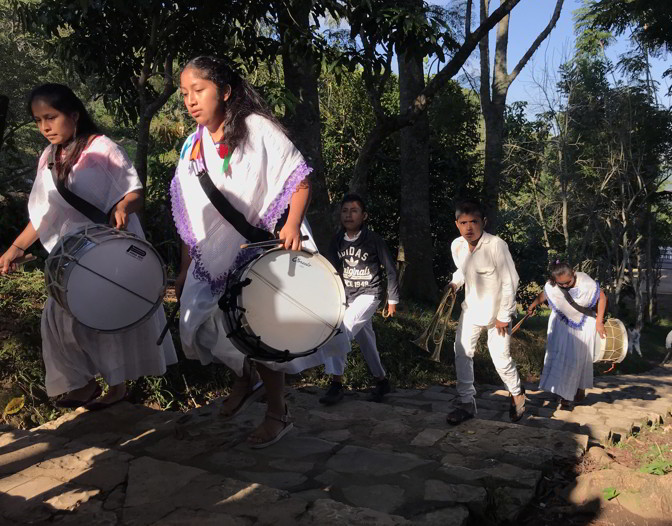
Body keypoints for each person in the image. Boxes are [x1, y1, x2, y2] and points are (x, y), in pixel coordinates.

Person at [171, 56, 345, 447]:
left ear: (226, 91)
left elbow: (298, 179)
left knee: (262, 332)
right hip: (211, 256)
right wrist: (185, 268)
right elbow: (189, 213)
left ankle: (277, 412)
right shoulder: (191, 146)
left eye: (199, 90)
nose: (190, 101)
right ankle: (242, 378)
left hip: (263, 244)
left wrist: (291, 224)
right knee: (200, 324)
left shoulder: (257, 129)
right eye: (185, 93)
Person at [0, 83, 176, 409]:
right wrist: (16, 247)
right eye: (38, 120)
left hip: (110, 251)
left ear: (74, 115)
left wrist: (123, 207)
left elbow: (134, 191)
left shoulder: (103, 148)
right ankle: (82, 384)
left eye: (50, 117)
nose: (45, 127)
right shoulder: (48, 158)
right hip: (72, 257)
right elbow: (45, 215)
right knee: (57, 319)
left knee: (107, 319)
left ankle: (117, 387)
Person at [445, 199, 525, 425]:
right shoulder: (457, 245)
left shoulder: (496, 245)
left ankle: (517, 392)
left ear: (484, 222)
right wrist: (454, 284)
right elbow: (462, 271)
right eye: (464, 223)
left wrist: (504, 315)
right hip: (471, 310)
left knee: (500, 358)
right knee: (461, 352)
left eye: (474, 222)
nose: (469, 227)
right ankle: (466, 402)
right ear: (457, 224)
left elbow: (511, 281)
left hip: (498, 314)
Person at [319, 194, 400, 405]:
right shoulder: (336, 240)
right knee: (366, 341)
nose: (348, 215)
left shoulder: (373, 239)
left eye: (353, 211)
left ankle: (336, 384)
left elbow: (390, 269)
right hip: (346, 297)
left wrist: (392, 299)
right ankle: (382, 381)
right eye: (345, 211)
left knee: (340, 330)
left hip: (369, 295)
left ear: (364, 215)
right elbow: (330, 269)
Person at [528, 261, 608, 411]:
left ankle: (575, 392)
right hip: (561, 325)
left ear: (573, 273)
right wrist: (533, 305)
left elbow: (602, 298)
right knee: (562, 356)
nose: (564, 286)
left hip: (584, 326)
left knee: (577, 359)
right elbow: (546, 294)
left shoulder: (586, 282)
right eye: (561, 284)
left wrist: (599, 322)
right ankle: (566, 393)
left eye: (567, 282)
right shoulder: (553, 285)